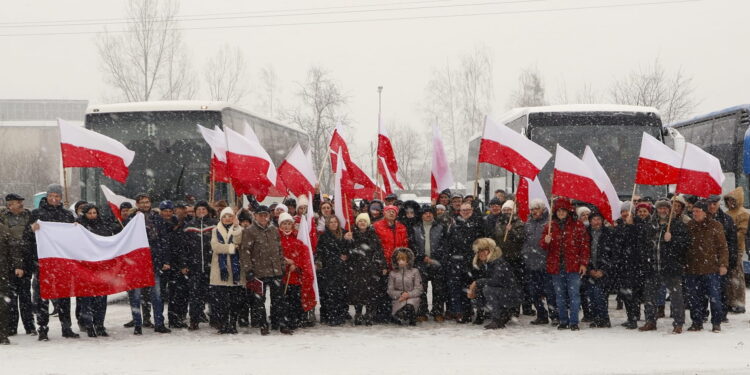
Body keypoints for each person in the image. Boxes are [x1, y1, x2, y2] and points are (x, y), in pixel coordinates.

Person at [26, 184, 79, 341]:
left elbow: (72, 239)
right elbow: (26, 237)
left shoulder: (67, 214)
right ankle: (42, 329)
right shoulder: (36, 214)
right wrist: (31, 229)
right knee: (42, 296)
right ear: (47, 197)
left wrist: (76, 228)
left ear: (61, 198)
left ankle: (66, 327)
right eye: (51, 196)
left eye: (57, 196)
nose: (54, 199)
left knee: (64, 296)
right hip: (43, 262)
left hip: (62, 262)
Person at [638, 199, 690, 334]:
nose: (663, 211)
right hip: (653, 266)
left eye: (665, 208)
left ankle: (678, 323)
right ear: (656, 210)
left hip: (671, 268)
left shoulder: (677, 225)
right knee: (649, 296)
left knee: (676, 296)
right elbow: (643, 245)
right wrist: (645, 261)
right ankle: (650, 321)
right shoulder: (650, 225)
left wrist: (672, 240)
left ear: (670, 210)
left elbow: (684, 246)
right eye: (660, 208)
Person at [123, 193, 170, 335]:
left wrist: (165, 260)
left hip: (153, 260)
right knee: (135, 295)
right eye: (142, 202)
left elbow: (163, 240)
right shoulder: (131, 219)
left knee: (156, 295)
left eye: (147, 202)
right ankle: (137, 324)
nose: (145, 204)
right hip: (136, 262)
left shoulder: (157, 218)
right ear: (137, 204)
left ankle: (159, 323)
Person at [540, 198, 590, 331]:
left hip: (573, 267)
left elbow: (584, 246)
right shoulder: (550, 226)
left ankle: (574, 321)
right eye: (558, 211)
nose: (561, 213)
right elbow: (543, 246)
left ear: (568, 211)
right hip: (556, 267)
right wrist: (546, 241)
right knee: (559, 295)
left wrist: (583, 263)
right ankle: (563, 320)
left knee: (574, 295)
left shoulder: (577, 225)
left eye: (563, 210)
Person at [240, 205, 287, 335]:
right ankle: (263, 324)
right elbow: (245, 252)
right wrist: (248, 269)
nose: (263, 217)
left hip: (275, 270)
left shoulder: (274, 230)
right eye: (260, 215)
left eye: (265, 214)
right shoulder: (249, 231)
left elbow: (279, 249)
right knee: (259, 300)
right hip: (258, 271)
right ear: (255, 216)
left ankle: (279, 323)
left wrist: (282, 265)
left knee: (278, 299)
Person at [685, 200, 729, 332]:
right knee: (694, 298)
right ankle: (697, 322)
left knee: (714, 297)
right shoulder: (689, 225)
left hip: (711, 268)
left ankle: (716, 322)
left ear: (705, 212)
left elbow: (723, 247)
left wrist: (723, 264)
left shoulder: (716, 225)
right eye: (693, 211)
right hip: (692, 268)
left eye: (697, 211)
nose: (695, 214)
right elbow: (684, 246)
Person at [76, 204, 118, 337]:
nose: (93, 215)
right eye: (90, 213)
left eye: (95, 213)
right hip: (85, 266)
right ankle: (89, 325)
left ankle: (100, 324)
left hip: (101, 267)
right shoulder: (78, 227)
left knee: (101, 298)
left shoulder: (103, 226)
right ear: (85, 214)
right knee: (87, 298)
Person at [1, 193, 36, 336]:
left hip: (26, 259)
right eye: (18, 202)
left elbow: (32, 234)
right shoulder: (3, 217)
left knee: (25, 295)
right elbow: (8, 240)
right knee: (11, 297)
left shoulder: (28, 215)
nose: (21, 204)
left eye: (21, 201)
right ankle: (11, 327)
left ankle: (29, 326)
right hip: (8, 261)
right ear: (10, 205)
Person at [179, 200, 217, 331]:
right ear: (195, 212)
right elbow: (183, 247)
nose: (201, 212)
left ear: (208, 211)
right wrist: (184, 264)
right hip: (194, 266)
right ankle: (194, 320)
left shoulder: (214, 225)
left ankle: (215, 318)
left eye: (204, 210)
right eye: (199, 210)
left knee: (213, 295)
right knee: (195, 295)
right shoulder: (189, 226)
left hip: (212, 266)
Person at [468, 238, 521, 330]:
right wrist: (473, 287)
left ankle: (497, 319)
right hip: (504, 293)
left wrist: (476, 283)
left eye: (484, 250)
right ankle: (481, 315)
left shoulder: (498, 263)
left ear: (490, 250)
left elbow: (496, 281)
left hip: (511, 295)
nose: (481, 253)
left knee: (487, 289)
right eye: (479, 251)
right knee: (479, 287)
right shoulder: (485, 264)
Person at [445, 203, 484, 323]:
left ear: (472, 210)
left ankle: (479, 313)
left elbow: (483, 240)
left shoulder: (479, 222)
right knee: (459, 289)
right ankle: (463, 312)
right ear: (459, 211)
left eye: (468, 210)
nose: (465, 212)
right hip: (457, 261)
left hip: (473, 260)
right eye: (463, 210)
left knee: (474, 288)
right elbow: (448, 241)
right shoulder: (454, 223)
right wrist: (449, 257)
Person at [346, 213, 387, 326]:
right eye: (360, 221)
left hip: (370, 269)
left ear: (368, 223)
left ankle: (369, 314)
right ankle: (358, 313)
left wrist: (382, 265)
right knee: (357, 292)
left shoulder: (373, 236)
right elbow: (348, 252)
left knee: (371, 292)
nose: (362, 223)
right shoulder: (352, 234)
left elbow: (379, 252)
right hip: (356, 269)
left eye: (364, 221)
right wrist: (348, 241)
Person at [210, 207, 245, 334]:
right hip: (220, 269)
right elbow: (216, 247)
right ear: (221, 217)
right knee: (221, 300)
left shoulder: (239, 229)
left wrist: (236, 228)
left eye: (230, 216)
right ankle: (223, 323)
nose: (227, 218)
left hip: (235, 269)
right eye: (225, 216)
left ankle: (233, 323)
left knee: (235, 300)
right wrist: (231, 248)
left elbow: (239, 242)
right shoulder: (215, 230)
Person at [522, 199, 557, 325]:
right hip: (531, 263)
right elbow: (524, 240)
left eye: (536, 209)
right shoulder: (528, 223)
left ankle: (554, 316)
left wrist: (550, 241)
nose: (533, 212)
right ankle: (541, 315)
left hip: (545, 263)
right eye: (532, 209)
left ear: (542, 209)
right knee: (534, 292)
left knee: (549, 291)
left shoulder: (550, 223)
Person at [492, 200, 528, 319]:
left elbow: (521, 238)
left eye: (509, 210)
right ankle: (504, 308)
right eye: (505, 210)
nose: (507, 212)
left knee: (515, 284)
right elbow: (497, 236)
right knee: (503, 284)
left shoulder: (518, 222)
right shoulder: (499, 221)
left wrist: (511, 230)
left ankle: (515, 309)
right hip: (502, 258)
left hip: (515, 258)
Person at [373, 205, 409, 321]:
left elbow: (405, 245)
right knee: (382, 289)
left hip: (397, 263)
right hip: (382, 263)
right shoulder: (376, 226)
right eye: (389, 211)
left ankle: (395, 313)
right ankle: (381, 314)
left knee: (396, 289)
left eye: (394, 212)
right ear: (384, 213)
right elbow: (375, 246)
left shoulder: (401, 227)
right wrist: (381, 262)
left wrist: (403, 260)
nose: (391, 213)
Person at [412, 204, 447, 322]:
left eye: (430, 212)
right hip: (421, 263)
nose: (428, 214)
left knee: (439, 289)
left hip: (437, 262)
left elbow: (445, 244)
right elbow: (413, 245)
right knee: (422, 288)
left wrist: (436, 258)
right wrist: (421, 256)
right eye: (425, 213)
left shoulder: (441, 227)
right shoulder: (415, 228)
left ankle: (437, 312)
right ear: (421, 215)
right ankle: (422, 312)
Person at [706, 194, 738, 323]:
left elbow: (732, 242)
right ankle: (703, 313)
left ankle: (722, 313)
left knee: (722, 289)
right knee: (704, 290)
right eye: (710, 204)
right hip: (705, 260)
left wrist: (732, 261)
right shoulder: (702, 217)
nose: (712, 206)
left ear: (719, 204)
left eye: (715, 204)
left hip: (721, 261)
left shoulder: (727, 220)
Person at [315, 215, 350, 326]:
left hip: (343, 270)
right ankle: (330, 316)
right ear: (327, 224)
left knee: (342, 293)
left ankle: (342, 314)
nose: (334, 224)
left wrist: (347, 254)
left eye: (335, 222)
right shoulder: (324, 237)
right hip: (329, 270)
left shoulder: (345, 234)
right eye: (331, 222)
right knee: (330, 294)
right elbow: (322, 253)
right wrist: (337, 257)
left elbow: (349, 249)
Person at [277, 212, 308, 334]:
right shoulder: (277, 239)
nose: (286, 226)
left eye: (289, 223)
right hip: (282, 275)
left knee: (294, 299)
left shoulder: (297, 240)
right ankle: (283, 322)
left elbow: (302, 256)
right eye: (284, 223)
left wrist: (296, 264)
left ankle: (294, 320)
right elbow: (274, 254)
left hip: (294, 276)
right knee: (283, 300)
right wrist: (284, 261)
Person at [585, 211, 615, 328]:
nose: (596, 222)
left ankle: (604, 318)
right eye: (594, 219)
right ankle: (596, 317)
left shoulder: (608, 233)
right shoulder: (586, 233)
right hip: (590, 269)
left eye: (598, 219)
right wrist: (589, 269)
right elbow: (583, 252)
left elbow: (612, 254)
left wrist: (603, 270)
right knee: (591, 295)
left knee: (600, 295)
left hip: (604, 270)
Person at [724, 187, 749, 313]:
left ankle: (739, 301)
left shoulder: (743, 213)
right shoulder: (728, 214)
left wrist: (730, 238)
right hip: (728, 247)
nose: (730, 203)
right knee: (730, 276)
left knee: (737, 275)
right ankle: (731, 300)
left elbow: (742, 233)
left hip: (737, 248)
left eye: (732, 200)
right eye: (728, 200)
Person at [0, 220, 23, 345]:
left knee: (2, 305)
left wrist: (18, 265)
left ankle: (2, 334)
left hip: (2, 271)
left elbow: (13, 249)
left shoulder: (3, 229)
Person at [387, 248, 423, 326]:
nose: (401, 262)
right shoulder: (393, 274)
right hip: (398, 299)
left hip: (412, 299)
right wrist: (401, 294)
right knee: (401, 308)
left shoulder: (415, 272)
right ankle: (400, 315)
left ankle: (410, 316)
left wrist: (408, 294)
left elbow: (419, 289)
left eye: (403, 259)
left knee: (410, 306)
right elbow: (390, 290)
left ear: (407, 260)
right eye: (399, 260)